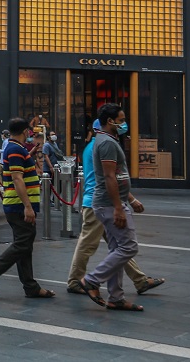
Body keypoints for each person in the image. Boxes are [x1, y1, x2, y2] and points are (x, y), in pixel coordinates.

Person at [67, 120, 164, 297]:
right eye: (118, 122)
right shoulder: (103, 146)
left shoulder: (94, 146)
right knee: (90, 244)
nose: (122, 126)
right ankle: (76, 281)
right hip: (99, 202)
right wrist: (130, 200)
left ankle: (139, 280)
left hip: (98, 202)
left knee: (120, 247)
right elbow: (111, 178)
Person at [79, 104, 147, 311]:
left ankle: (116, 298)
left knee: (117, 248)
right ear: (110, 121)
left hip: (110, 202)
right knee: (129, 247)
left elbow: (118, 176)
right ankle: (91, 279)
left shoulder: (108, 140)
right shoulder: (107, 143)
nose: (124, 123)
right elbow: (109, 176)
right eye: (121, 119)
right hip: (109, 204)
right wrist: (118, 207)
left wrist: (130, 199)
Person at [0, 117, 54, 300]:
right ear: (26, 132)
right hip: (18, 205)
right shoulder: (14, 149)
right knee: (23, 243)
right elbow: (17, 178)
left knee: (25, 244)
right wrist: (28, 206)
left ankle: (30, 286)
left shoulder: (16, 148)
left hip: (19, 204)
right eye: (29, 132)